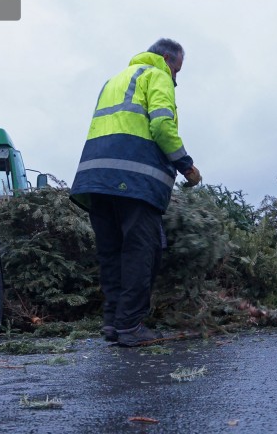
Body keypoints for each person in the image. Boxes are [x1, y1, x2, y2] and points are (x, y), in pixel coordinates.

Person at [69, 38, 202, 347]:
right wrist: (187, 166)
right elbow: (161, 126)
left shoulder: (113, 80)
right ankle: (129, 326)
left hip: (97, 179)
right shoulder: (156, 76)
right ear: (167, 59)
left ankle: (114, 324)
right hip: (134, 178)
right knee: (143, 250)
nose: (176, 79)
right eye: (177, 70)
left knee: (112, 251)